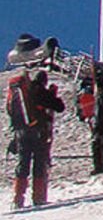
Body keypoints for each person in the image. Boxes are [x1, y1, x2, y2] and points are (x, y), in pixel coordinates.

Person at [8, 69, 65, 208]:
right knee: (39, 163)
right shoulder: (41, 91)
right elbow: (59, 107)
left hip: (21, 133)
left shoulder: (21, 93)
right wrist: (52, 94)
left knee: (22, 164)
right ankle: (38, 197)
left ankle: (18, 198)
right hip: (38, 133)